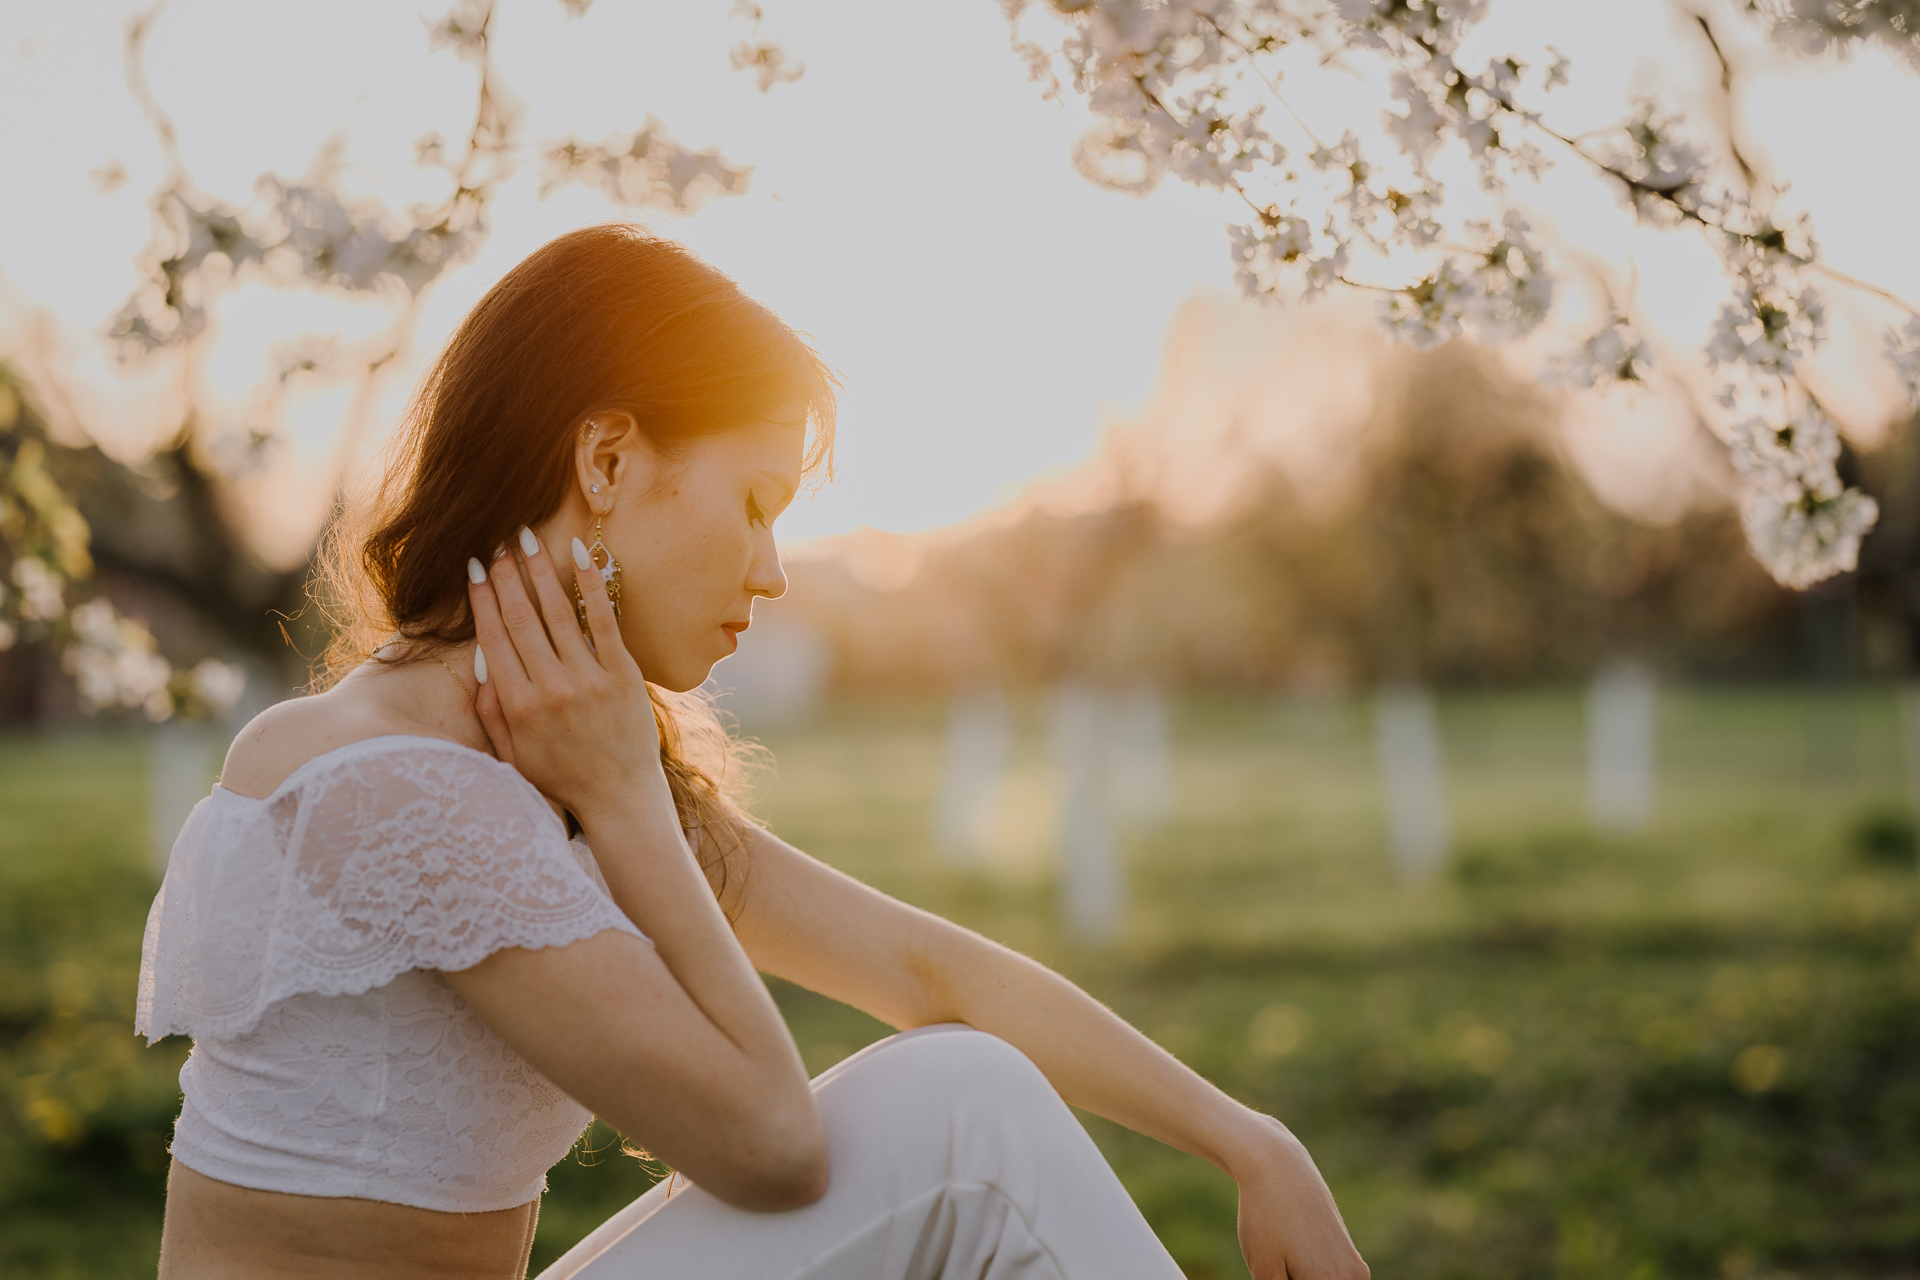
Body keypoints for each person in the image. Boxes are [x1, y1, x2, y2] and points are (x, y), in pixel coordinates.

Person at [136, 223, 1369, 1280]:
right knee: (967, 1116)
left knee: (965, 1084)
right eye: (756, 501)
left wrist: (1250, 1137)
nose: (773, 570)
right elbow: (774, 1149)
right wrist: (624, 800)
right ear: (607, 460)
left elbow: (920, 964)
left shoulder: (537, 754)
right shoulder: (390, 784)